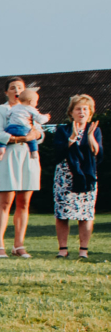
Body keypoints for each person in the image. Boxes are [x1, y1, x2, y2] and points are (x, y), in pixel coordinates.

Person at [0, 78, 44, 258]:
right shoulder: (1, 109)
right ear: (7, 92)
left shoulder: (31, 109)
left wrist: (36, 134)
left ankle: (19, 245)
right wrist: (19, 139)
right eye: (13, 88)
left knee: (24, 202)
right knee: (5, 201)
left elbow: (40, 134)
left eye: (20, 87)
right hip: (9, 155)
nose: (17, 90)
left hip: (28, 156)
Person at [51, 95, 102, 259]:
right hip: (65, 176)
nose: (82, 112)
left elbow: (98, 154)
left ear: (90, 112)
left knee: (86, 214)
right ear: (71, 112)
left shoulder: (94, 129)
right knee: (62, 213)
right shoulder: (62, 130)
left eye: (85, 109)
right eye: (78, 109)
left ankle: (83, 251)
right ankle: (63, 249)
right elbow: (57, 153)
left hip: (87, 176)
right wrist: (72, 138)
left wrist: (90, 138)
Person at [0, 87, 48, 160]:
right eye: (36, 101)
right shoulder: (31, 109)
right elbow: (40, 119)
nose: (16, 90)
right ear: (31, 102)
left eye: (20, 88)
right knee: (32, 140)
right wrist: (47, 117)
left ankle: (1, 150)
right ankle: (34, 152)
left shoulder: (14, 107)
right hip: (24, 129)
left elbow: (8, 114)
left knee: (3, 140)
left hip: (11, 128)